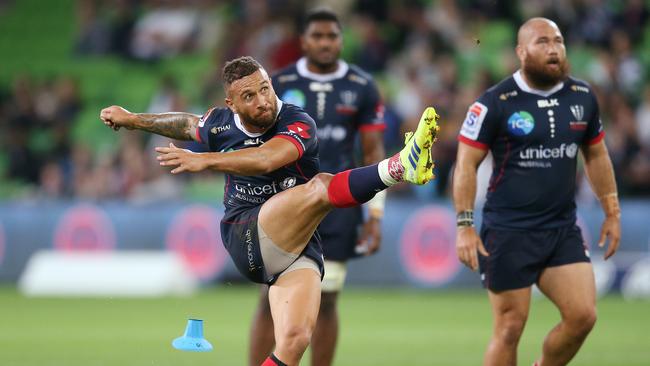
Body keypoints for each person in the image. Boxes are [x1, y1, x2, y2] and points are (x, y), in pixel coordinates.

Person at [100, 56, 439, 366]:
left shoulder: (296, 121)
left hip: (297, 245)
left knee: (294, 340)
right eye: (249, 96)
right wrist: (133, 120)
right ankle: (398, 167)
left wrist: (203, 159)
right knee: (320, 186)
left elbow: (267, 159)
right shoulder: (220, 124)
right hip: (246, 232)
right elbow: (186, 124)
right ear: (232, 104)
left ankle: (400, 166)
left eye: (265, 89)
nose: (262, 100)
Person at [453, 18, 621, 366]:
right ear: (521, 52)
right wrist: (465, 225)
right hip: (508, 230)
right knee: (510, 327)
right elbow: (465, 165)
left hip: (561, 228)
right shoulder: (495, 102)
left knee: (583, 317)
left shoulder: (582, 97)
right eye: (543, 42)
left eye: (558, 41)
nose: (553, 49)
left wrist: (612, 211)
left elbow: (596, 154)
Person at [248, 9, 386, 366]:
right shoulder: (276, 83)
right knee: (270, 299)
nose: (326, 43)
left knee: (328, 299)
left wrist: (375, 214)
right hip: (287, 204)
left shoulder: (362, 86)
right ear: (304, 41)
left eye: (332, 36)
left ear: (341, 40)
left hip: (338, 205)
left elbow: (373, 152)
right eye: (318, 36)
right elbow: (259, 146)